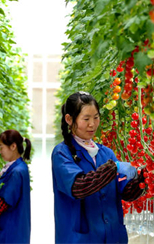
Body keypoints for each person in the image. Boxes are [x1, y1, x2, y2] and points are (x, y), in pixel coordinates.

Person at [51, 91, 147, 244]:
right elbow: (79, 187)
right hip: (81, 239)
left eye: (96, 117)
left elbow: (126, 193)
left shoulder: (106, 153)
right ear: (69, 119)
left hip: (113, 237)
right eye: (86, 119)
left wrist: (143, 178)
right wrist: (113, 168)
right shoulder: (62, 153)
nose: (92, 124)